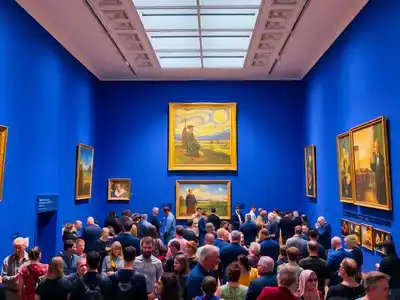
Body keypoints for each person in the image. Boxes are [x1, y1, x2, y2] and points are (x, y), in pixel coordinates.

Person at [370, 139, 387, 205]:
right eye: (374, 147)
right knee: (378, 199)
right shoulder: (377, 158)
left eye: (376, 147)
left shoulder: (382, 158)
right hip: (377, 183)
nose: (375, 149)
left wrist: (382, 180)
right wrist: (371, 163)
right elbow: (374, 169)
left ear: (379, 148)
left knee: (382, 200)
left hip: (381, 184)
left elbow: (384, 172)